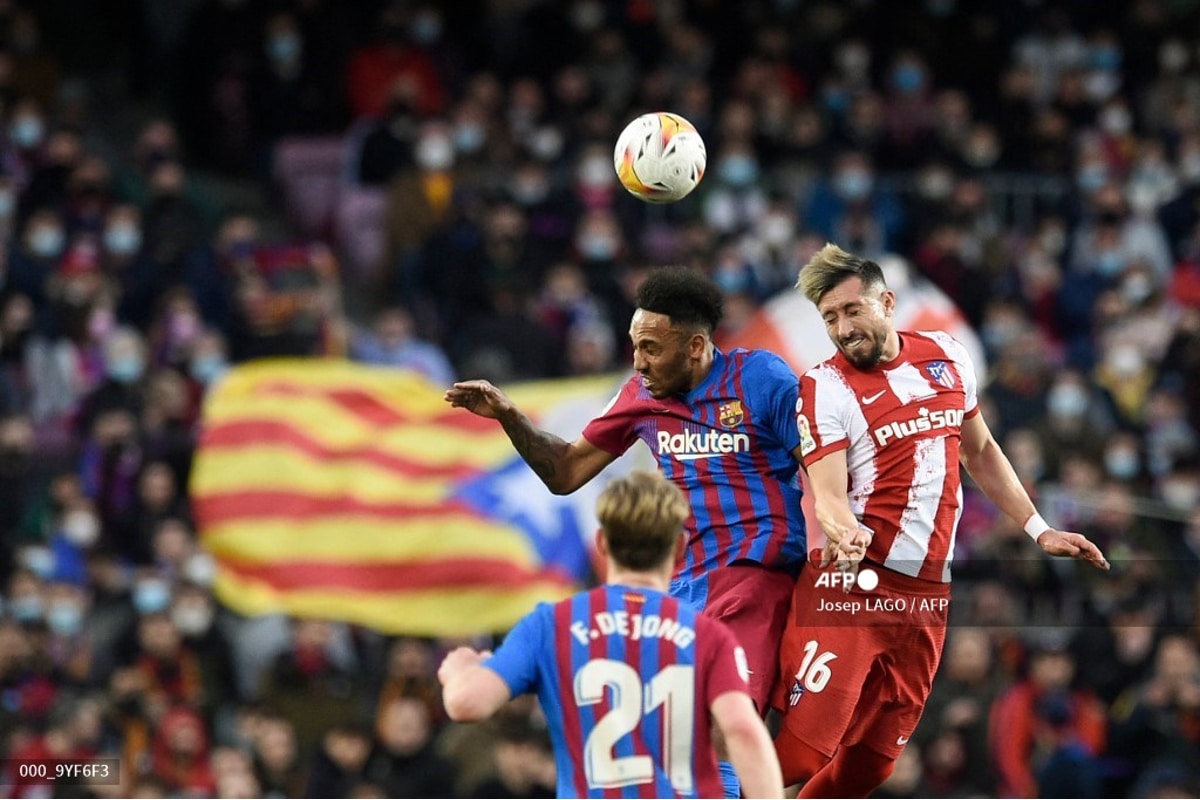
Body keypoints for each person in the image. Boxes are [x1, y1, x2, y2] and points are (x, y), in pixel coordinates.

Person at [445, 265, 807, 797]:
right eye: (635, 346)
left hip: (754, 574)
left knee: (723, 723)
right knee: (677, 733)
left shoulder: (762, 379)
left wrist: (839, 535)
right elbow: (566, 472)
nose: (638, 361)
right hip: (682, 586)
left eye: (651, 348)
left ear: (696, 346)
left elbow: (819, 462)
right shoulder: (641, 394)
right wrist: (509, 416)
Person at [773, 243, 1109, 798]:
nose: (842, 327)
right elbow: (826, 493)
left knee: (871, 766)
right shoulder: (824, 386)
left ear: (886, 301)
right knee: (802, 756)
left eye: (852, 310)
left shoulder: (947, 355)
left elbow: (979, 452)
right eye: (829, 317)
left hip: (928, 597)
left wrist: (1039, 528)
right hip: (854, 585)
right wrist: (842, 528)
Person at [438, 470, 785, 799]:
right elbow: (741, 731)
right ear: (679, 547)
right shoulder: (711, 636)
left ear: (602, 543)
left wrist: (460, 669)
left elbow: (466, 702)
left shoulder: (550, 625)